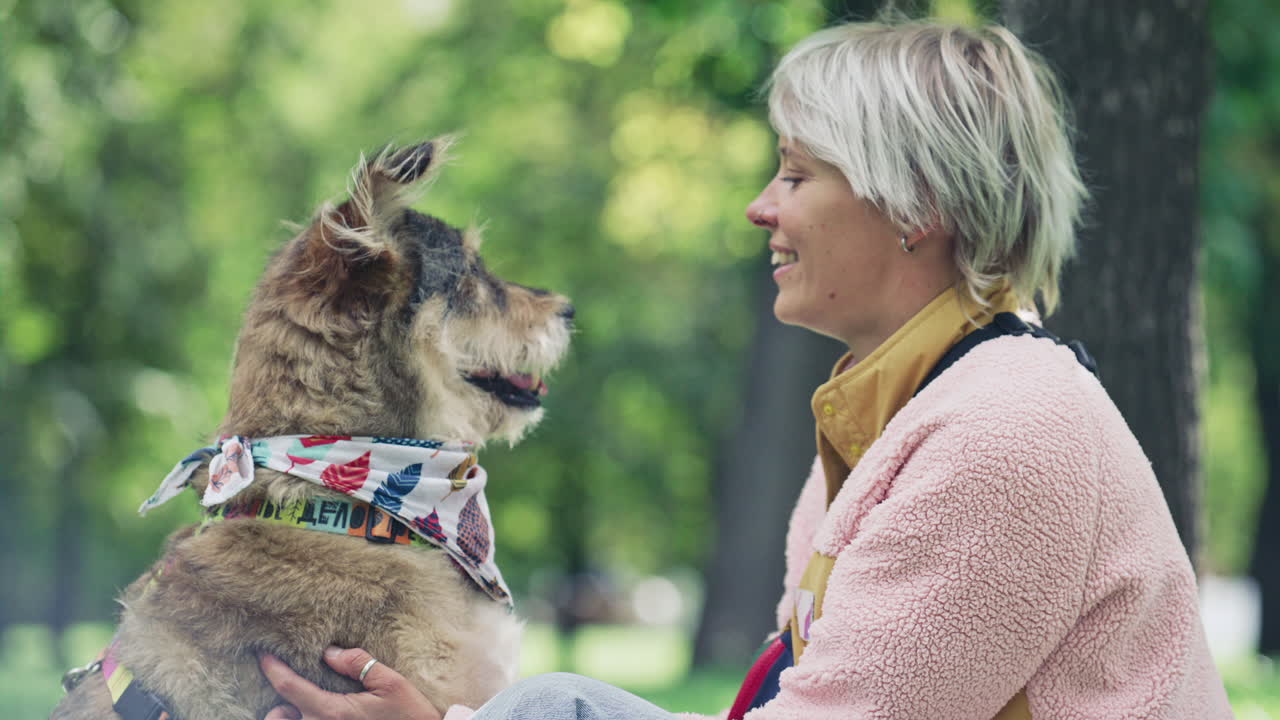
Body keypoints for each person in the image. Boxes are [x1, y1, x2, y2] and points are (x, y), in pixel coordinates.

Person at [257, 16, 1234, 720]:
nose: (758, 208)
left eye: (797, 175)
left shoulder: (1004, 439)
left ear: (914, 205)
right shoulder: (907, 409)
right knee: (551, 704)